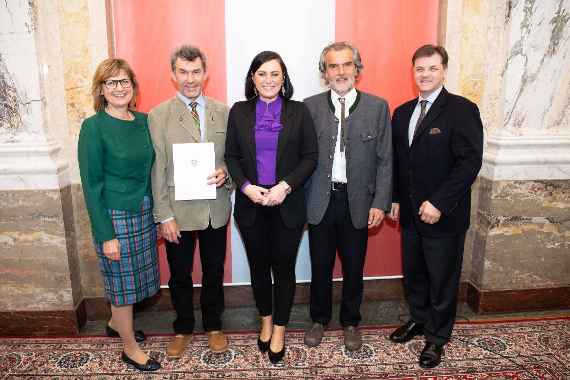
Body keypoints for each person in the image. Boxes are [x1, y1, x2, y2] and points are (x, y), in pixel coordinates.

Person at [388, 44, 483, 368]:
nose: (425, 74)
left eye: (432, 68)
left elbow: (469, 162)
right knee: (414, 273)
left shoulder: (462, 110)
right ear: (412, 72)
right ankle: (418, 318)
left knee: (442, 278)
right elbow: (401, 163)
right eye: (419, 69)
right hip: (411, 216)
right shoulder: (402, 113)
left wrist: (439, 203)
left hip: (444, 216)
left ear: (444, 70)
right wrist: (396, 198)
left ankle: (437, 337)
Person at [225, 51, 318, 365]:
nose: (268, 80)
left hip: (287, 205)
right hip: (252, 206)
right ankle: (265, 320)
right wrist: (247, 188)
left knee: (284, 268)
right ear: (253, 78)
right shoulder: (238, 112)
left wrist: (284, 186)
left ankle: (279, 328)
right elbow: (232, 157)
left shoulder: (299, 111)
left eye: (274, 74)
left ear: (283, 78)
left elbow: (310, 157)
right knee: (258, 268)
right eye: (262, 74)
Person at [303, 41, 393, 351]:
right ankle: (319, 319)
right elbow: (301, 159)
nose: (340, 71)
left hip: (358, 202)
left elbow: (385, 160)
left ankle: (351, 321)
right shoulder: (309, 106)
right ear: (324, 72)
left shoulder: (377, 107)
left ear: (357, 69)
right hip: (320, 201)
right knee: (320, 265)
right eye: (333, 66)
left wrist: (380, 203)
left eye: (346, 65)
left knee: (354, 266)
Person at [149, 45, 231, 358]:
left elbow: (232, 159)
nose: (190, 79)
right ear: (173, 75)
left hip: (215, 208)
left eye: (196, 71)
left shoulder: (223, 111)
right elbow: (158, 168)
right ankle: (183, 327)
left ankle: (214, 325)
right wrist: (163, 215)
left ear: (205, 74)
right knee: (179, 273)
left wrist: (226, 173)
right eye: (183, 72)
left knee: (213, 270)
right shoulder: (159, 115)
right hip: (178, 213)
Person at [78, 58, 160, 372]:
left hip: (142, 211)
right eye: (111, 82)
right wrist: (106, 234)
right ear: (101, 89)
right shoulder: (93, 127)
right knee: (123, 286)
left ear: (133, 87)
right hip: (114, 216)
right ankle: (129, 348)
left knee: (134, 280)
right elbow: (91, 184)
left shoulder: (144, 120)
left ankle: (116, 323)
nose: (119, 88)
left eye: (124, 81)